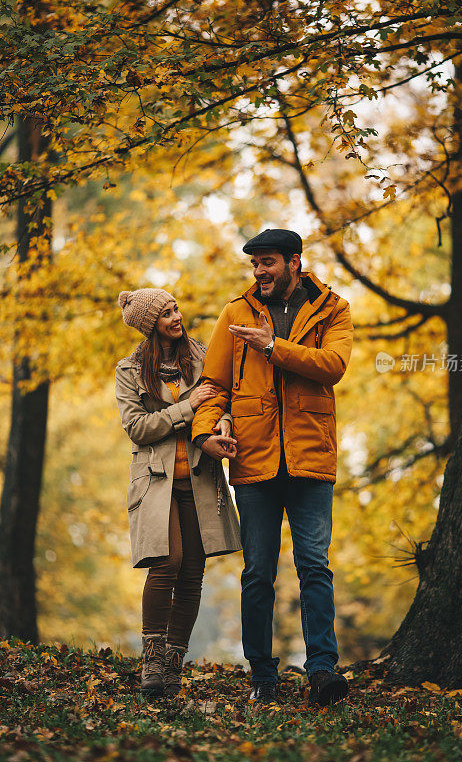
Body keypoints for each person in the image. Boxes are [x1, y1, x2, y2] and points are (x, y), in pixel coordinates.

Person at [192, 229, 353, 706]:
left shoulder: (332, 309)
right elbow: (213, 383)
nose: (260, 271)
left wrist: (271, 347)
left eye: (268, 262)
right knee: (258, 572)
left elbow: (333, 364)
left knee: (314, 567)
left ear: (294, 262)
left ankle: (322, 670)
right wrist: (204, 434)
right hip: (254, 462)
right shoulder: (234, 314)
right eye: (255, 264)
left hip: (311, 460)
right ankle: (262, 673)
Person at [115, 288, 241, 698]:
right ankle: (150, 660)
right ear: (150, 326)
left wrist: (223, 422)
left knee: (192, 574)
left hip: (201, 477)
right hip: (156, 482)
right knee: (167, 562)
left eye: (175, 309)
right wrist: (187, 409)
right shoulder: (129, 370)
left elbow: (222, 399)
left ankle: (172, 667)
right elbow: (138, 427)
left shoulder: (201, 356)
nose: (176, 317)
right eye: (166, 314)